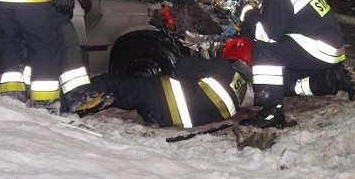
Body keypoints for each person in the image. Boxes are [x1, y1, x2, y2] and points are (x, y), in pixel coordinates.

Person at [235, 0, 355, 128]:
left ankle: (272, 113)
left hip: (318, 47)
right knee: (278, 84)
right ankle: (333, 78)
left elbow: (267, 34)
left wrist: (248, 14)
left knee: (263, 50)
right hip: (326, 46)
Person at [81, 56, 247, 128]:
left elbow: (181, 66)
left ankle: (72, 100)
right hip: (181, 116)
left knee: (111, 83)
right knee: (127, 91)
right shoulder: (238, 86)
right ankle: (104, 99)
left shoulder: (221, 66)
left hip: (163, 101)